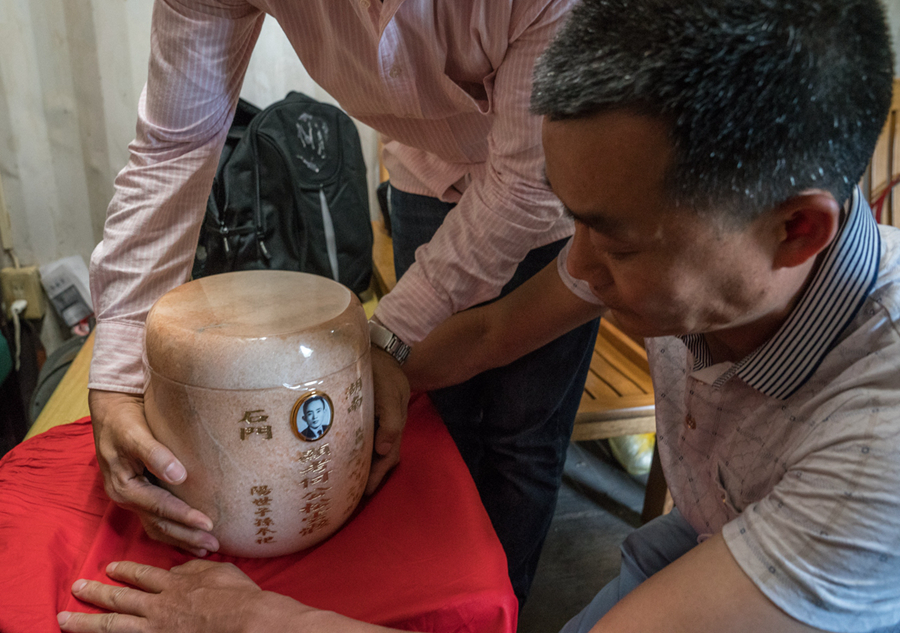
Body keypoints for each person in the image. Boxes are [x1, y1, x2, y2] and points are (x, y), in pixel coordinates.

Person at [59, 0, 900, 631]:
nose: (581, 266)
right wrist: (365, 371)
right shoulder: (689, 257)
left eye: (608, 239)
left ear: (796, 228)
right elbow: (492, 333)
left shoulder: (878, 446)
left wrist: (251, 619)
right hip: (691, 537)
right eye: (573, 220)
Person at [86, 0, 595, 601]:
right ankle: (438, 594)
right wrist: (117, 372)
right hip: (427, 170)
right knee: (436, 425)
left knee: (522, 435)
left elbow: (523, 190)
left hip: (556, 178)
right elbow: (175, 146)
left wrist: (389, 336)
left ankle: (498, 603)